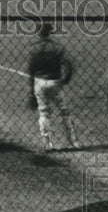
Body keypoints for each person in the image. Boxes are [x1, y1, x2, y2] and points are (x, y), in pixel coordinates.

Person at [27, 22, 79, 151]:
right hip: (55, 82)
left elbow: (31, 70)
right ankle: (73, 141)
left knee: (44, 113)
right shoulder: (57, 47)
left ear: (39, 33)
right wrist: (66, 79)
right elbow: (68, 65)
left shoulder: (33, 48)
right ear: (50, 32)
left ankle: (48, 143)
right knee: (64, 111)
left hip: (39, 82)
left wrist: (31, 92)